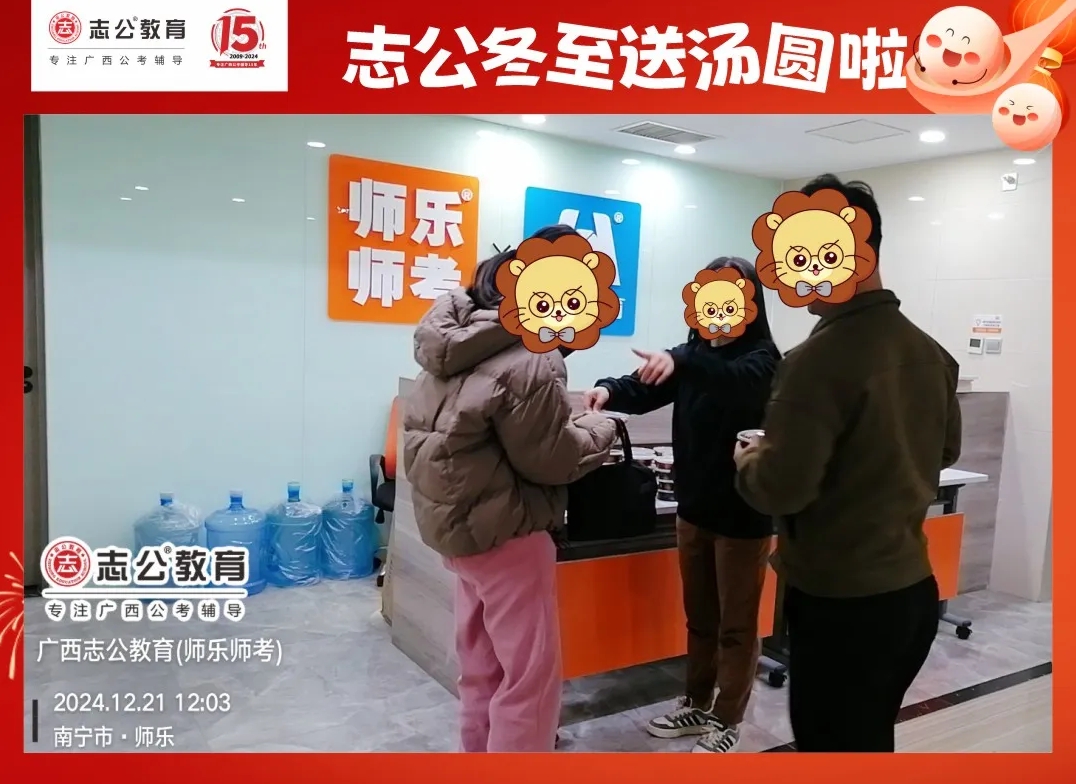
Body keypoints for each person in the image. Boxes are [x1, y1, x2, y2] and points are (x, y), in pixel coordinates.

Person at [733, 174, 963, 752]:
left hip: (842, 602)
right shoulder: (929, 352)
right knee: (868, 738)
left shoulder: (815, 361)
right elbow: (944, 452)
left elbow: (780, 489)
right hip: (911, 592)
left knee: (831, 746)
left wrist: (749, 459)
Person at [402, 224, 618, 753]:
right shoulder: (531, 356)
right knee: (528, 681)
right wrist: (601, 428)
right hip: (509, 532)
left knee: (482, 669)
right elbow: (550, 459)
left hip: (459, 530)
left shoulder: (454, 341)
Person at [583, 256, 781, 754]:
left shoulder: (762, 360)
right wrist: (609, 388)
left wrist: (683, 357)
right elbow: (645, 387)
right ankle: (695, 702)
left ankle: (727, 719)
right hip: (694, 510)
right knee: (700, 619)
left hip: (743, 517)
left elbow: (731, 381)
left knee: (737, 626)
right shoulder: (693, 356)